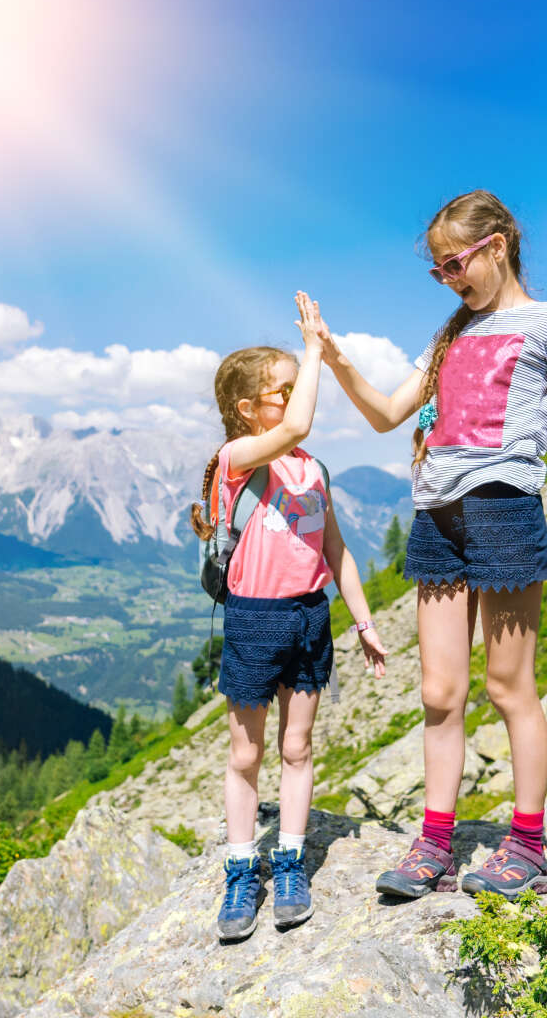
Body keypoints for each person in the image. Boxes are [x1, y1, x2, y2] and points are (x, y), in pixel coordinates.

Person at [311, 191, 547, 898]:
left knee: (508, 686)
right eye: (438, 272)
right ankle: (435, 843)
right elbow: (385, 416)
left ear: (497, 245)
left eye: (455, 264)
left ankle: (527, 844)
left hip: (505, 512)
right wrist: (335, 358)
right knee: (440, 691)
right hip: (437, 515)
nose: (449, 280)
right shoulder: (446, 336)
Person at [188, 291, 389, 941]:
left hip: (309, 617)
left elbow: (337, 553)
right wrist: (311, 347)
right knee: (246, 752)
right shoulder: (234, 461)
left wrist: (362, 622)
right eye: (286, 389)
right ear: (247, 409)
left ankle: (290, 861)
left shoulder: (313, 470)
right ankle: (241, 870)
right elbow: (296, 427)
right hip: (252, 619)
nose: (299, 395)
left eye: (299, 386)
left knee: (296, 747)